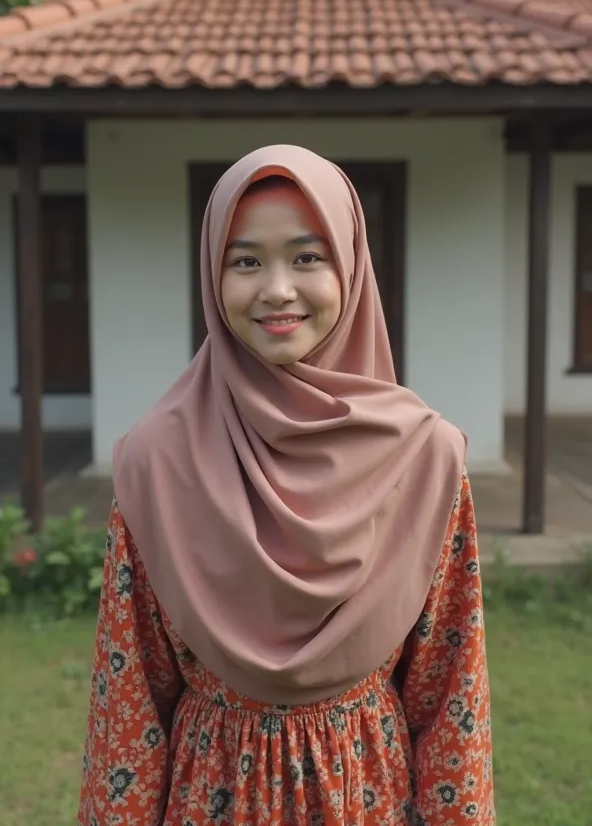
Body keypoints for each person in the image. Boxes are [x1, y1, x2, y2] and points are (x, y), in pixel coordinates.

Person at [78, 145, 495, 826]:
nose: (276, 288)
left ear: (352, 267)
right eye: (245, 261)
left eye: (308, 256)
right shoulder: (156, 460)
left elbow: (451, 690)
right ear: (213, 278)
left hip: (367, 798)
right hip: (208, 800)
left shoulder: (426, 458)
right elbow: (130, 694)